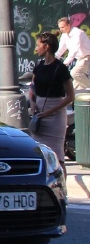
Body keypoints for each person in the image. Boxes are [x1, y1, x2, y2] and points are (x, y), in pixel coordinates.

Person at [29, 30, 75, 166]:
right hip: (39, 113)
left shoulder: (60, 68)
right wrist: (32, 103)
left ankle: (61, 185)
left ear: (46, 46)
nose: (36, 48)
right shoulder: (38, 65)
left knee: (57, 156)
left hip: (55, 116)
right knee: (39, 153)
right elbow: (33, 86)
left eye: (38, 45)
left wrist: (50, 111)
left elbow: (70, 96)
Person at [54, 15, 90, 91]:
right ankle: (73, 99)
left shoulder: (78, 33)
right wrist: (53, 59)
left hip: (87, 57)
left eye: (62, 27)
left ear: (69, 25)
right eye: (60, 28)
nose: (61, 29)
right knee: (73, 89)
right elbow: (61, 49)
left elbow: (74, 50)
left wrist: (64, 64)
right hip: (80, 59)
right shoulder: (64, 35)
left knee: (75, 73)